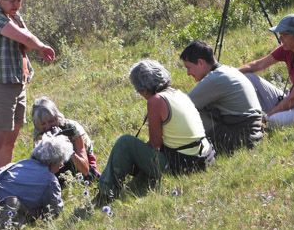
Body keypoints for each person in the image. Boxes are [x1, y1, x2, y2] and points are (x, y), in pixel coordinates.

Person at [0, 0, 56, 184]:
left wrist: (37, 45)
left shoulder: (14, 16)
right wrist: (40, 46)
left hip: (17, 84)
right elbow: (23, 37)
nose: (16, 4)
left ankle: (1, 186)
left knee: (8, 142)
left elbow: (27, 39)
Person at [97, 60, 214, 202]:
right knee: (134, 148)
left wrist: (136, 157)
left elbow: (155, 144)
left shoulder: (155, 101)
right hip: (205, 157)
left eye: (138, 90)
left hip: (183, 165)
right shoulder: (178, 94)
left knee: (125, 142)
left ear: (144, 88)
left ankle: (105, 192)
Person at [179, 40, 264, 154]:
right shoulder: (227, 71)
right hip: (253, 133)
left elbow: (182, 106)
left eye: (188, 67)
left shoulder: (215, 78)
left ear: (200, 63)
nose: (188, 73)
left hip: (241, 139)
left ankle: (182, 154)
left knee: (188, 114)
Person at [31, 96, 100, 184]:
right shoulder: (39, 134)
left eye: (51, 121)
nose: (48, 127)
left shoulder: (71, 127)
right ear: (38, 125)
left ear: (57, 116)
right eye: (43, 124)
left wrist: (68, 149)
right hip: (57, 162)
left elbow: (85, 169)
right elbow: (40, 168)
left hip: (81, 158)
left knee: (90, 178)